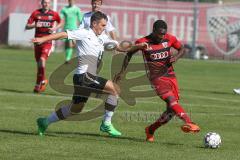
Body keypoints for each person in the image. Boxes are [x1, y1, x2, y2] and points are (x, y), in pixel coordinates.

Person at [32, 11, 147, 137]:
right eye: (103, 25)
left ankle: (45, 121)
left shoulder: (102, 37)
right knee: (115, 90)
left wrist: (138, 47)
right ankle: (106, 124)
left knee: (75, 109)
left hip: (82, 78)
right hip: (84, 76)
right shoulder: (85, 33)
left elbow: (120, 48)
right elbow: (64, 34)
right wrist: (43, 39)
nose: (104, 28)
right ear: (94, 23)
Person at [115, 20, 200, 142]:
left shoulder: (169, 38)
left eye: (163, 34)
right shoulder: (142, 42)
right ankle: (189, 121)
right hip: (156, 79)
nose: (161, 37)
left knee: (171, 111)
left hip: (171, 76)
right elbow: (129, 54)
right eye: (159, 34)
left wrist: (176, 57)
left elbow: (182, 49)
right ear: (154, 31)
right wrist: (122, 73)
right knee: (171, 101)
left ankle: (150, 129)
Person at [25, 0, 62, 93]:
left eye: (48, 2)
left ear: (50, 4)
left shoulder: (54, 14)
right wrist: (35, 25)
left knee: (42, 60)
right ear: (41, 3)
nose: (46, 4)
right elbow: (27, 26)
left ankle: (43, 81)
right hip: (37, 42)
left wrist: (54, 28)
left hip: (48, 41)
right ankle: (39, 84)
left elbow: (61, 22)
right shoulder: (36, 13)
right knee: (39, 65)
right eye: (45, 2)